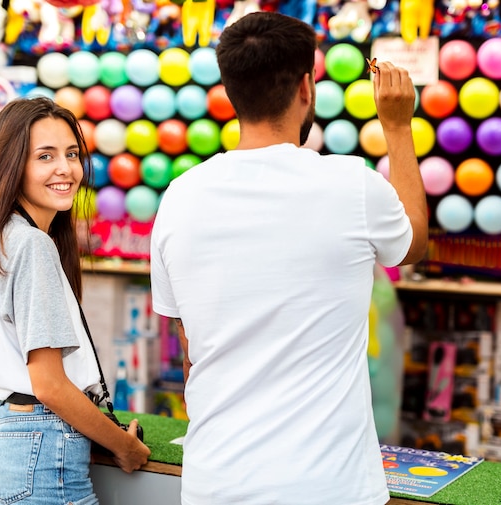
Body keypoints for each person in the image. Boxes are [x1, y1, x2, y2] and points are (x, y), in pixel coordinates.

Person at [150, 11, 428, 505]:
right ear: (306, 87)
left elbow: (190, 352)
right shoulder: (351, 185)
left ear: (230, 91)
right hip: (330, 488)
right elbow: (413, 246)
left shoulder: (179, 197)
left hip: (216, 483)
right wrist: (398, 128)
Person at [0, 97, 150, 505]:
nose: (66, 168)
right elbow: (50, 386)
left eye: (72, 154)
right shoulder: (31, 245)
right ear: (12, 166)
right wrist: (125, 447)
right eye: (45, 156)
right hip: (41, 455)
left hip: (14, 444)